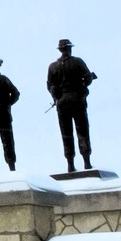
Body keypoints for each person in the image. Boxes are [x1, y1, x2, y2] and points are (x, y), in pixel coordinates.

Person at [46, 39, 97, 172]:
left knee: (66, 133)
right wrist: (82, 87)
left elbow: (50, 85)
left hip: (62, 103)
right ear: (69, 49)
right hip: (77, 100)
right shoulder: (77, 62)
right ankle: (87, 161)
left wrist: (56, 95)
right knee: (82, 131)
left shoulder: (53, 67)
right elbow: (88, 78)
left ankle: (70, 163)